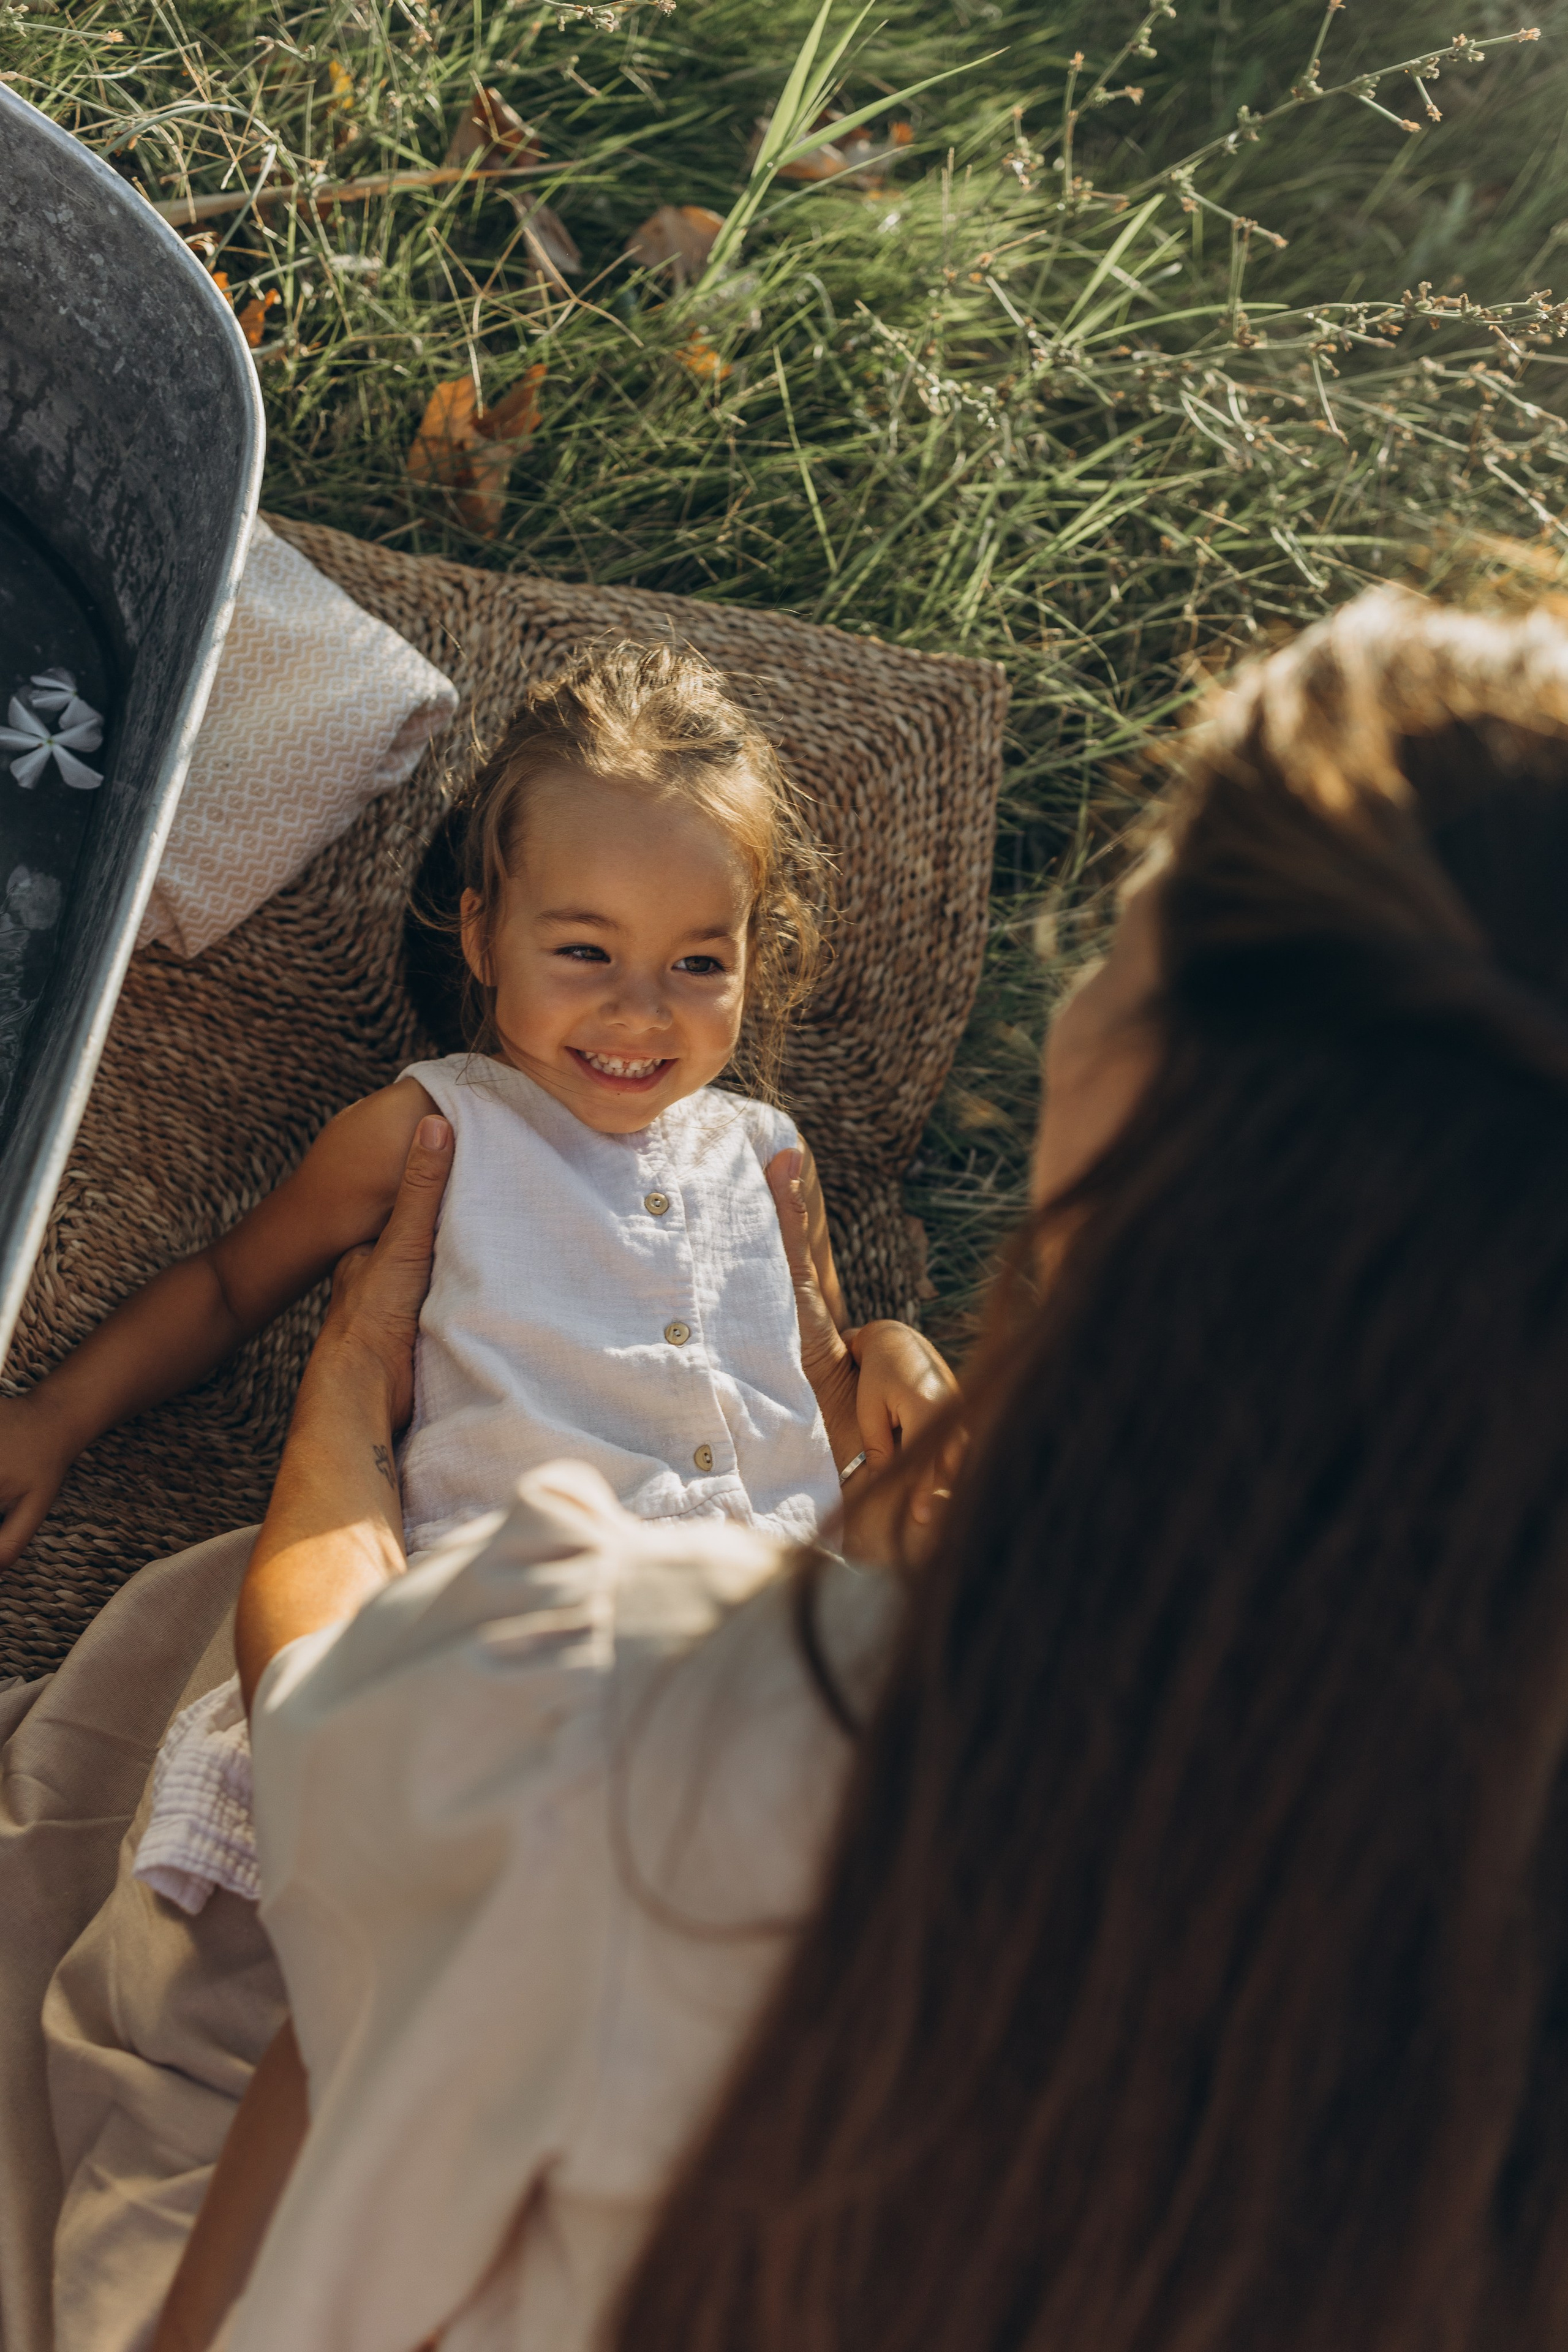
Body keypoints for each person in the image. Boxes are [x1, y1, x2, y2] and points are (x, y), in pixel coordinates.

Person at [143, 582, 1568, 2352]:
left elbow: (330, 1713)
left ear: (1154, 1101)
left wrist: (344, 1407)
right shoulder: (1474, 2007)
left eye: (1134, 918)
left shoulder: (615, 1716)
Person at [0, 641, 949, 1915]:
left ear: (750, 959)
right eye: (583, 952)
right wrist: (59, 1416)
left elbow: (804, 1398)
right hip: (520, 1640)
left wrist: (878, 1352)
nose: (640, 1014)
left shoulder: (767, 1155)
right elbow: (233, 1286)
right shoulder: (438, 1130)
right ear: (483, 934)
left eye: (697, 964)